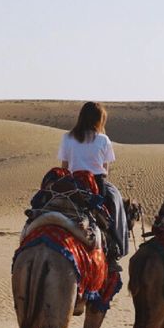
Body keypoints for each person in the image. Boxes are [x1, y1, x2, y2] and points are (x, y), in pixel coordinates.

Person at [58, 101, 128, 271]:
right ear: (99, 120)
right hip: (95, 184)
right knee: (113, 205)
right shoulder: (103, 139)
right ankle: (114, 249)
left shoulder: (67, 137)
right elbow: (105, 170)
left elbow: (64, 167)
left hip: (72, 184)